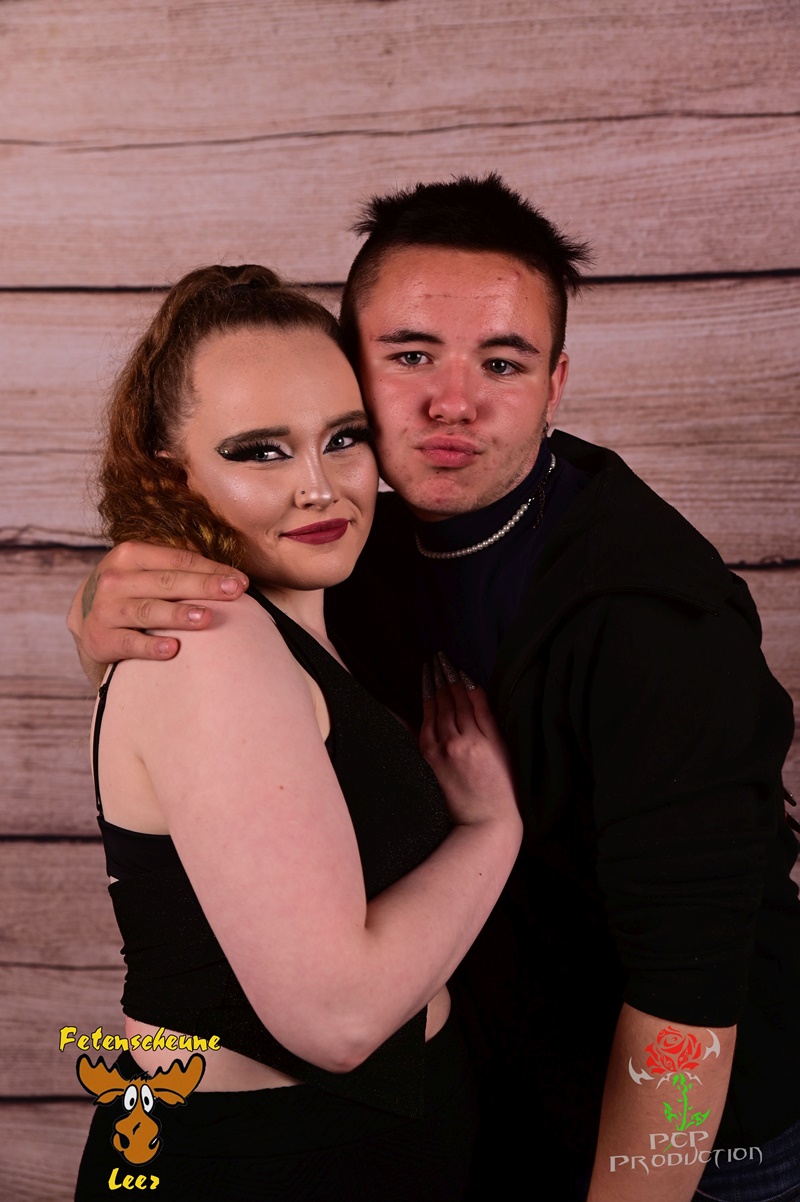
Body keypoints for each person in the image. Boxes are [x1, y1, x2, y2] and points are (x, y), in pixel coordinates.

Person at [69, 178, 800, 1202]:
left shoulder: (656, 622)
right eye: (410, 355)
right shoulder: (338, 546)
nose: (451, 401)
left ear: (553, 386)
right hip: (483, 1105)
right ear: (347, 364)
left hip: (684, 1131)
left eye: (501, 362)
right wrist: (102, 606)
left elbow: (688, 1001)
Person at [72, 263, 523, 1202]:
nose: (320, 488)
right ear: (171, 472)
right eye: (261, 451)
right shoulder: (213, 640)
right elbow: (337, 1020)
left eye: (343, 439)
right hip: (264, 1162)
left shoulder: (309, 611)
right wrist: (491, 828)